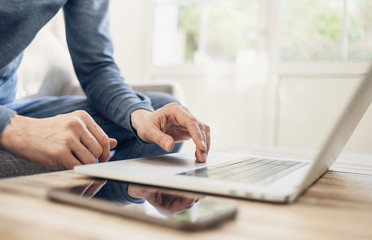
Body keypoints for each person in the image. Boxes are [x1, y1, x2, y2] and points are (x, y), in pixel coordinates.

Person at [0, 0, 210, 178]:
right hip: (7, 121)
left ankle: (111, 208)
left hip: (8, 105)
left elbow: (96, 66)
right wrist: (12, 128)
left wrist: (140, 116)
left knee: (160, 115)